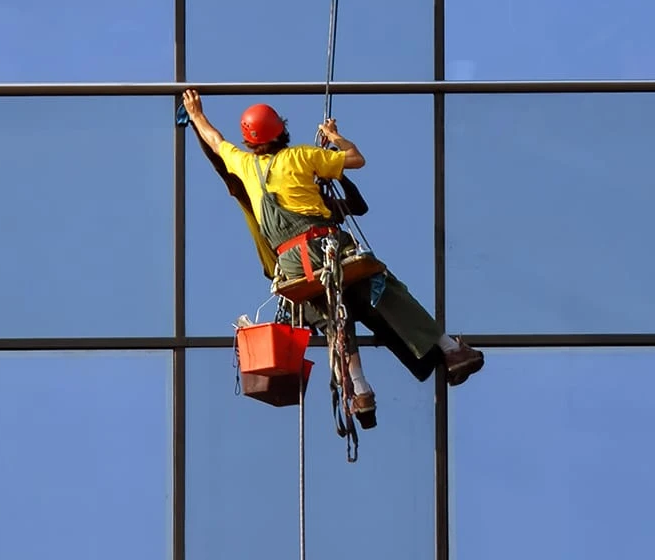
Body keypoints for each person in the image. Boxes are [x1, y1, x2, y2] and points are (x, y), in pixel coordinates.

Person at [180, 89, 484, 429]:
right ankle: (449, 349)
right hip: (324, 246)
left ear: (251, 141)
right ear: (281, 131)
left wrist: (196, 114)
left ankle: (360, 389)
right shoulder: (301, 157)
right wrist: (335, 138)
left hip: (292, 265)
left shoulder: (244, 164)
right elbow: (356, 159)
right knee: (384, 288)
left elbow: (215, 139)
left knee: (333, 318)